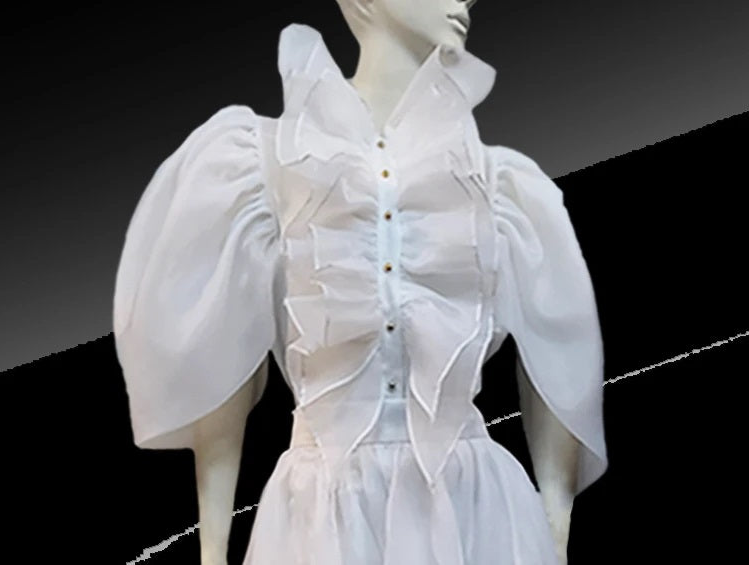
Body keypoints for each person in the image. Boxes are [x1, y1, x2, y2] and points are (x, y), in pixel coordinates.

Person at [112, 2, 608, 563]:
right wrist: (211, 552)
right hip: (321, 519)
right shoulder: (262, 163)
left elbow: (560, 362)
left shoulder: (501, 182)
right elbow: (221, 364)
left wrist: (553, 538)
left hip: (474, 516)